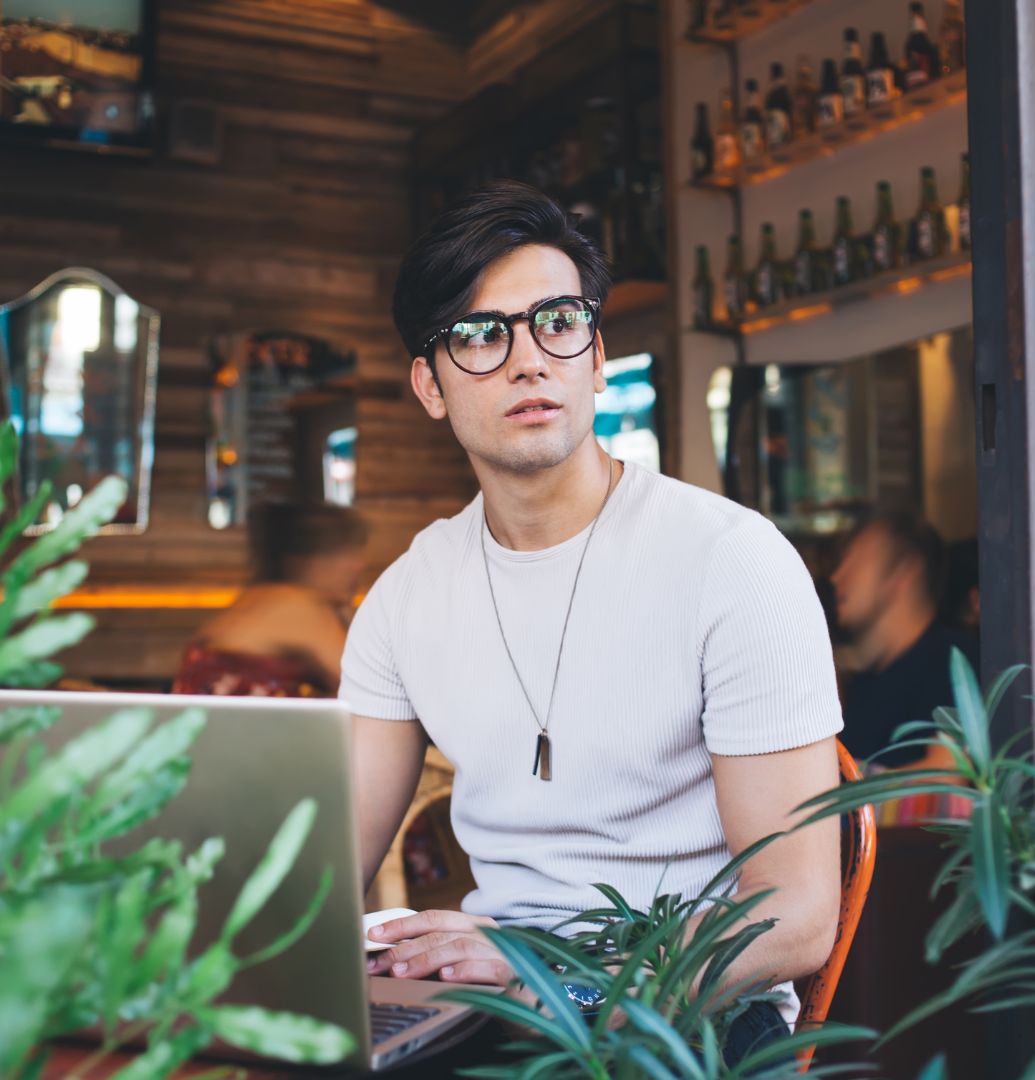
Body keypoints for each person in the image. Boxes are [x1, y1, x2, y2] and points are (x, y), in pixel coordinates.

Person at [340, 181, 843, 1069]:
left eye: (557, 322)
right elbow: (326, 872)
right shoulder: (405, 597)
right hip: (491, 997)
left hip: (687, 1004)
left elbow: (796, 916)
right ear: (429, 384)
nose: (529, 360)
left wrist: (554, 976)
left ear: (596, 355)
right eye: (479, 335)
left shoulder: (734, 562)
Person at [830, 512, 979, 770]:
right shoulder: (866, 682)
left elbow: (946, 776)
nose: (836, 576)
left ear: (903, 572)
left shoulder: (953, 664)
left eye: (856, 561)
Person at [174, 502, 367, 697]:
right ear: (307, 562)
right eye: (345, 553)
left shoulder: (261, 598)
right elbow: (365, 685)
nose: (358, 565)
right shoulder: (297, 606)